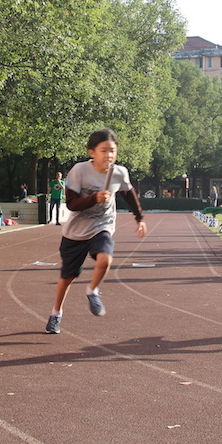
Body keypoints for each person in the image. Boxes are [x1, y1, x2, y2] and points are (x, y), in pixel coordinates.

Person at [45, 128, 146, 334]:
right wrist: (94, 198)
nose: (109, 155)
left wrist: (140, 218)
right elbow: (71, 204)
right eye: (103, 150)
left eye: (112, 151)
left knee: (105, 259)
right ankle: (56, 313)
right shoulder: (79, 170)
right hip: (75, 232)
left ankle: (93, 291)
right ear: (92, 152)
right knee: (68, 277)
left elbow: (129, 194)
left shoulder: (119, 173)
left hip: (102, 225)